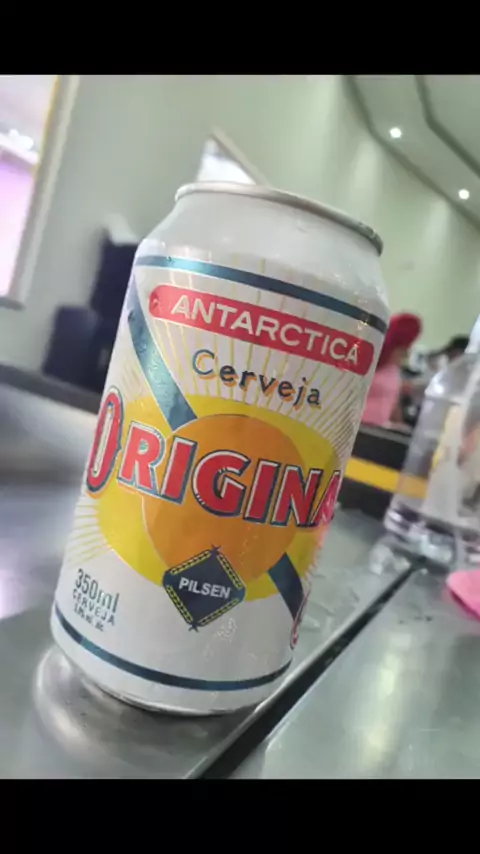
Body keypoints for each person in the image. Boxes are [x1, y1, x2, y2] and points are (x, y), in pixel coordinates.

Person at [362, 312, 423, 428]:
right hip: (358, 426)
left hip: (377, 429)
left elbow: (391, 401)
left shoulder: (395, 365)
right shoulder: (372, 355)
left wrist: (399, 425)